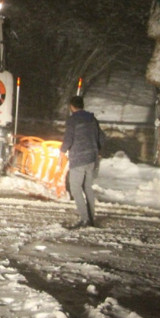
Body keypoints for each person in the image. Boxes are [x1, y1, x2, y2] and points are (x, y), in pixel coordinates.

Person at [61, 95, 104, 228]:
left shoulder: (73, 120)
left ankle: (85, 219)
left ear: (72, 107)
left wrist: (62, 151)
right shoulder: (92, 119)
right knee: (87, 187)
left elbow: (69, 138)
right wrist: (98, 151)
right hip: (92, 157)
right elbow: (101, 136)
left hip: (79, 158)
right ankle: (91, 217)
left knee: (75, 188)